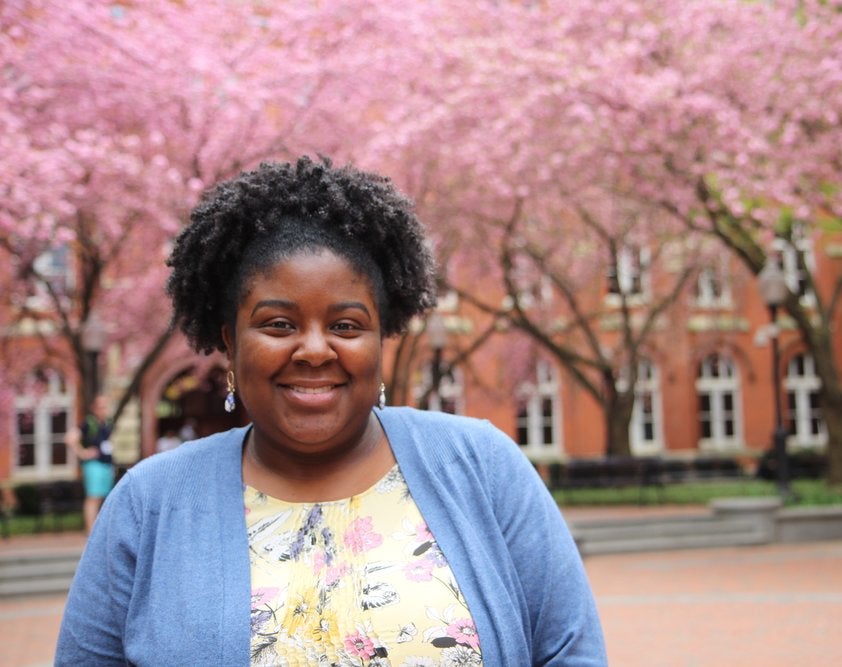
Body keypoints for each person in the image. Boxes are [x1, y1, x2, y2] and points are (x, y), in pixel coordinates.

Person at [57, 156, 606, 665]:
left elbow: (570, 651)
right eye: (279, 324)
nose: (315, 350)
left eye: (346, 325)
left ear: (382, 339)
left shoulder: (481, 465)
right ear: (230, 340)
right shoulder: (150, 502)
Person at [67, 394, 115, 534]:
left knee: (104, 498)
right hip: (94, 465)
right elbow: (70, 438)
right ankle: (90, 530)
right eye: (100, 406)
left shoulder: (106, 424)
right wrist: (82, 452)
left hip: (106, 465)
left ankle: (100, 529)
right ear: (93, 408)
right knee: (93, 497)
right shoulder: (88, 423)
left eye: (105, 406)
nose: (103, 409)